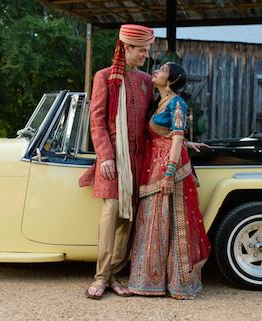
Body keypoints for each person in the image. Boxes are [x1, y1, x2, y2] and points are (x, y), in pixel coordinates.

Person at [79, 24, 155, 299]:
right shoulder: (104, 77)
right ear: (126, 48)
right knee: (112, 210)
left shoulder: (147, 81)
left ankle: (113, 275)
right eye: (142, 50)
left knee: (127, 217)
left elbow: (155, 123)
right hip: (113, 159)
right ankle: (100, 277)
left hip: (138, 160)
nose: (146, 55)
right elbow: (96, 121)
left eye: (147, 50)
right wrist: (106, 156)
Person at [128, 62, 211, 300]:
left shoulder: (177, 103)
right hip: (153, 167)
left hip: (169, 171)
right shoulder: (159, 103)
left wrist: (169, 173)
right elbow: (169, 136)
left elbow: (176, 138)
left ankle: (179, 284)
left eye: (162, 70)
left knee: (173, 224)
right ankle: (149, 282)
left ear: (172, 80)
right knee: (153, 220)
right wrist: (188, 143)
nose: (156, 72)